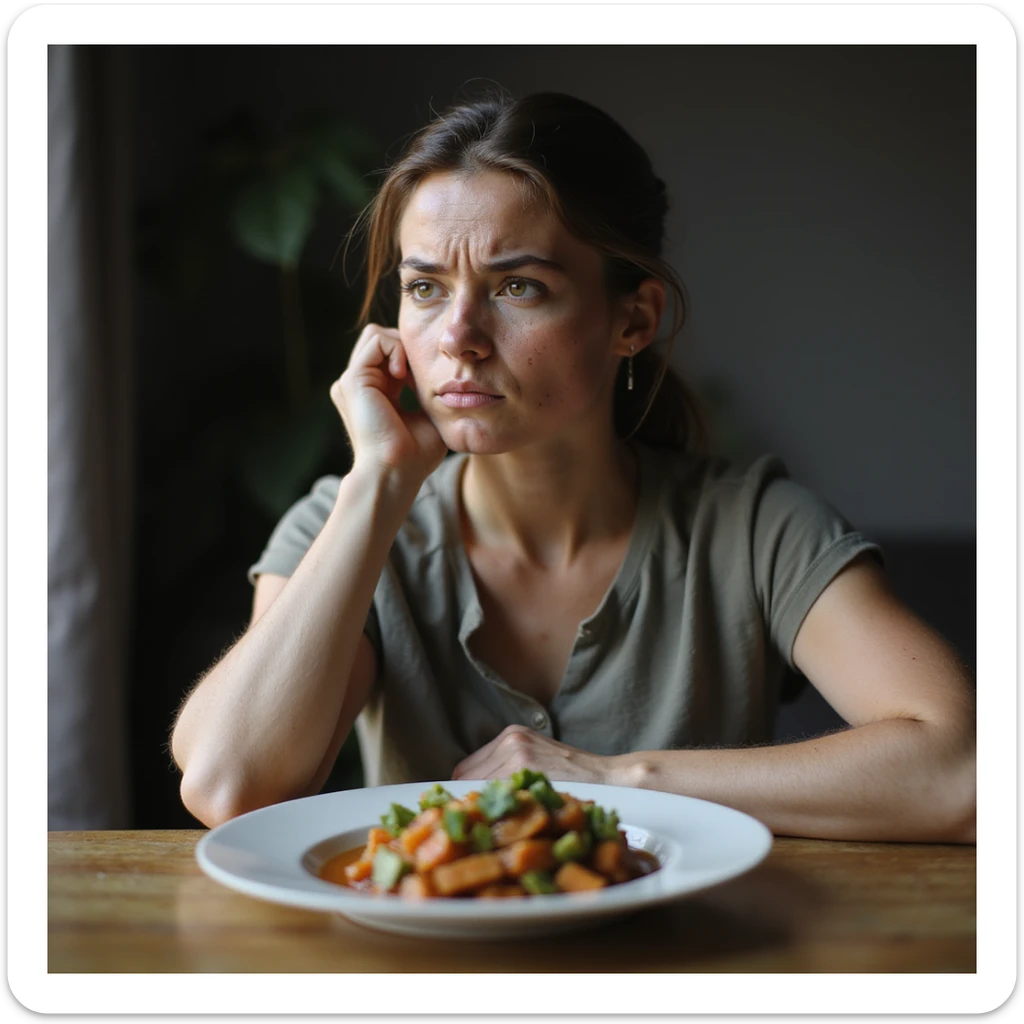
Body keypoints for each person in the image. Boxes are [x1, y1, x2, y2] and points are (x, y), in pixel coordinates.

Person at [170, 91, 975, 843]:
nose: (457, 337)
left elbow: (969, 770)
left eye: (518, 286)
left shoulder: (756, 531)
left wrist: (615, 780)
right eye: (425, 288)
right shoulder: (341, 526)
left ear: (634, 319)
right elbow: (231, 786)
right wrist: (378, 482)